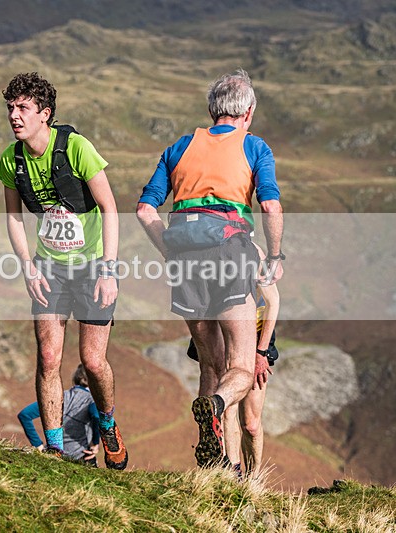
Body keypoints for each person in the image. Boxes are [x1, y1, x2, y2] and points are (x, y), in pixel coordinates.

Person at [136, 69, 284, 467]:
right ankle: (218, 406)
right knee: (237, 366)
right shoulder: (254, 147)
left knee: (209, 364)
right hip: (230, 252)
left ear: (210, 110)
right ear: (248, 112)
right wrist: (273, 257)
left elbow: (145, 208)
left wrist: (167, 248)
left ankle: (221, 467)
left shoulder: (179, 147)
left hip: (184, 255)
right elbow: (269, 205)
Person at [0, 72, 128, 470]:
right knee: (49, 357)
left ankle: (107, 424)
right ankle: (55, 451)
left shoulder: (76, 148)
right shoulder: (11, 159)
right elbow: (14, 218)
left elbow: (109, 208)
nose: (14, 116)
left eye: (22, 108)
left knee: (92, 361)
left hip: (92, 268)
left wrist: (108, 269)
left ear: (45, 114)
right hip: (49, 269)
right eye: (10, 108)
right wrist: (28, 268)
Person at [187, 243, 280, 478]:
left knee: (250, 423)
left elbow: (273, 303)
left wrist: (261, 352)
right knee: (225, 409)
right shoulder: (201, 248)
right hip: (222, 336)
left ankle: (254, 478)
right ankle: (233, 473)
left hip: (255, 337)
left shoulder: (252, 251)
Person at [18, 364, 101, 466]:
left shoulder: (59, 396)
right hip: (81, 458)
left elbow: (25, 415)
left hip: (53, 458)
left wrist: (38, 445)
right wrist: (95, 442)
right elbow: (97, 417)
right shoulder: (91, 400)